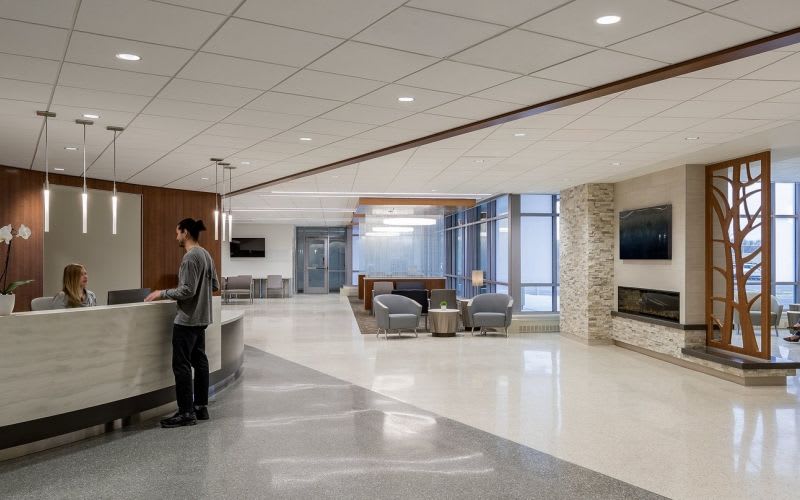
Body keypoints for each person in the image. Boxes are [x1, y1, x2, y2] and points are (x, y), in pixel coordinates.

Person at [145, 218, 219, 428]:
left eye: (177, 233)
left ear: (185, 233)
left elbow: (187, 290)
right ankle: (200, 407)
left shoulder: (189, 258)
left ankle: (186, 412)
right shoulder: (206, 254)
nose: (176, 236)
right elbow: (214, 285)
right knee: (200, 362)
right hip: (202, 319)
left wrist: (162, 293)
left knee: (182, 366)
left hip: (186, 321)